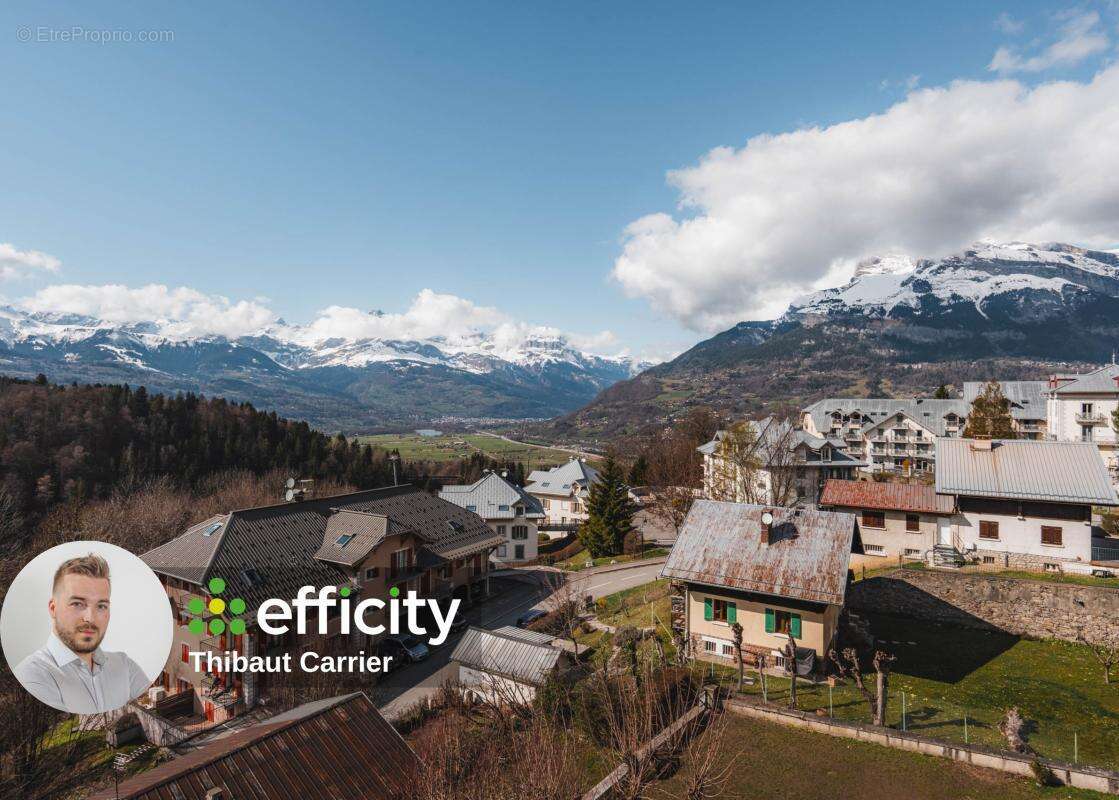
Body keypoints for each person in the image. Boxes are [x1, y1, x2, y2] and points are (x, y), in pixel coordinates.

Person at [14, 553, 152, 714]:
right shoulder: (32, 675)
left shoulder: (124, 665)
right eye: (77, 604)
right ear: (53, 608)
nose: (90, 618)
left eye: (101, 606)